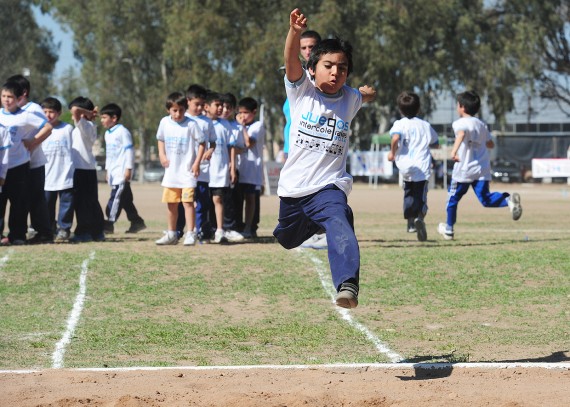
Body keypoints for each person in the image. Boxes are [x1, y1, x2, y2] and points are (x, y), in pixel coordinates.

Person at [273, 9, 377, 309]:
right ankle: (321, 223)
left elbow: (362, 95)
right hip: (293, 189)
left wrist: (368, 93)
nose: (335, 73)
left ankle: (347, 284)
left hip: (329, 187)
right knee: (287, 239)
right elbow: (291, 59)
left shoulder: (349, 98)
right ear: (312, 69)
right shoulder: (301, 91)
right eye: (328, 66)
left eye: (342, 68)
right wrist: (294, 31)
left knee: (338, 214)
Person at [438, 90, 522, 240]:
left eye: (457, 105)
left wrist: (454, 151)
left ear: (462, 107)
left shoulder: (459, 123)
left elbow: (462, 134)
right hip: (481, 169)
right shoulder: (481, 125)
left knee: (452, 199)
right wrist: (480, 142)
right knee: (486, 199)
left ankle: (449, 229)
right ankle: (509, 202)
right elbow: (490, 143)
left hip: (464, 170)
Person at [0, 81, 53, 245]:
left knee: (19, 202)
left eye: (10, 97)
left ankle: (17, 235)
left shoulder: (25, 115)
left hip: (19, 165)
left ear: (18, 99)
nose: (7, 100)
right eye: (3, 96)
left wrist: (33, 142)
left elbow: (48, 127)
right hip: (2, 165)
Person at [387, 91, 439, 242]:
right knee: (420, 194)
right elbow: (435, 143)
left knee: (408, 192)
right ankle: (420, 218)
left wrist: (392, 153)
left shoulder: (399, 124)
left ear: (400, 109)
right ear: (418, 109)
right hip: (422, 166)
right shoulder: (425, 125)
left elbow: (395, 137)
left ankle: (410, 222)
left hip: (405, 165)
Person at [155, 91, 206, 246]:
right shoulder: (164, 122)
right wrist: (162, 155)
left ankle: (191, 233)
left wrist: (197, 162)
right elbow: (160, 139)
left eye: (181, 110)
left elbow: (203, 143)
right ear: (168, 110)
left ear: (185, 109)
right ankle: (171, 233)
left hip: (187, 173)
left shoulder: (191, 124)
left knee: (188, 203)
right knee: (171, 204)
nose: (178, 114)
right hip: (171, 173)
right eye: (174, 110)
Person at [176, 84, 216, 241]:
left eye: (202, 104)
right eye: (196, 104)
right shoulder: (181, 120)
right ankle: (178, 230)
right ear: (188, 101)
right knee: (182, 203)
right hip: (183, 170)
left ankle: (199, 232)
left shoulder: (207, 122)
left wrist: (211, 150)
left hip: (202, 171)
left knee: (201, 203)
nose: (199, 108)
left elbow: (212, 142)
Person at [100, 103, 146, 234]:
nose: (102, 120)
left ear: (114, 118)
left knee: (115, 198)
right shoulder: (107, 134)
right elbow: (109, 154)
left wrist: (129, 168)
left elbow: (129, 151)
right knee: (125, 199)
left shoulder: (122, 131)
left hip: (122, 172)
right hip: (114, 172)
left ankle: (109, 223)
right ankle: (137, 222)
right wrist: (108, 170)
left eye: (104, 117)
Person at [203, 91, 243, 243]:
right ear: (207, 107)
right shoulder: (201, 124)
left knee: (219, 199)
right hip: (205, 172)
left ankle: (220, 230)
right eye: (218, 105)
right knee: (204, 203)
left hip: (220, 170)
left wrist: (232, 168)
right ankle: (205, 230)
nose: (221, 108)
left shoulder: (225, 124)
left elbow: (231, 148)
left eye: (223, 106)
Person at [68, 96, 106, 242]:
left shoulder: (85, 125)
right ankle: (97, 231)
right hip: (83, 168)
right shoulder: (83, 126)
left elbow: (75, 110)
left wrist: (88, 113)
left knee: (83, 202)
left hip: (82, 168)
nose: (72, 115)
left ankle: (84, 232)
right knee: (90, 201)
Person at [41, 97, 75, 242]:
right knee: (46, 205)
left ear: (59, 113)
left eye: (52, 112)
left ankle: (64, 229)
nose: (48, 115)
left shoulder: (67, 129)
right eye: (45, 112)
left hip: (65, 174)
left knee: (66, 205)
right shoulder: (39, 129)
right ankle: (48, 229)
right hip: (46, 176)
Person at [236, 97, 265, 239]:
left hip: (252, 170)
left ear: (254, 112)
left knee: (250, 199)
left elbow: (249, 143)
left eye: (246, 112)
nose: (242, 116)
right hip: (239, 169)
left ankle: (249, 227)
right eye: (240, 112)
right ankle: (239, 226)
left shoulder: (257, 126)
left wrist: (241, 127)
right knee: (238, 200)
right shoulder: (237, 126)